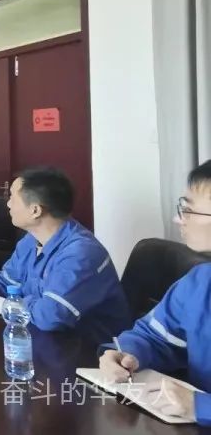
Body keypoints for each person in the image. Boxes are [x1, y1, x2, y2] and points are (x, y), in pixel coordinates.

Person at [0, 168, 129, 343]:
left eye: (12, 198)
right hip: (42, 339)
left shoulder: (80, 254)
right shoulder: (31, 240)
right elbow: (6, 282)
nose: (8, 204)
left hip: (92, 354)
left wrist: (15, 301)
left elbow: (51, 316)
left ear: (35, 210)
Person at [99, 160, 211, 425]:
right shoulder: (199, 282)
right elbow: (156, 336)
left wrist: (200, 407)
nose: (178, 219)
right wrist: (127, 354)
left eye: (188, 210)